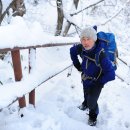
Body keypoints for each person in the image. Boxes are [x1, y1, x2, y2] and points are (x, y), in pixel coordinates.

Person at [70, 27, 115, 126]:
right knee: (86, 93)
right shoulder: (82, 47)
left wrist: (99, 82)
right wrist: (77, 65)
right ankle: (85, 103)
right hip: (85, 77)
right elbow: (72, 51)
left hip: (97, 81)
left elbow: (111, 74)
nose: (85, 42)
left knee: (92, 102)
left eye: (88, 39)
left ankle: (93, 116)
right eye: (83, 39)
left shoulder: (101, 55)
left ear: (94, 39)